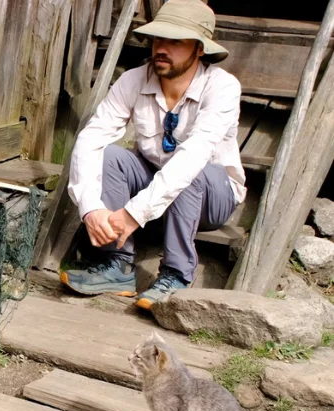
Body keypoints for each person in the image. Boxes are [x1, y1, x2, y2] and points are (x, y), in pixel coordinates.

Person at [60, 0, 245, 310]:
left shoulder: (223, 88)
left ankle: (176, 274)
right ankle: (117, 266)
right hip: (152, 185)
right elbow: (91, 138)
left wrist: (133, 214)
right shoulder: (134, 79)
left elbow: (193, 156)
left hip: (211, 197)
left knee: (190, 168)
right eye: (159, 39)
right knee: (108, 156)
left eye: (175, 41)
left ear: (199, 49)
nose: (162, 48)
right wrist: (91, 208)